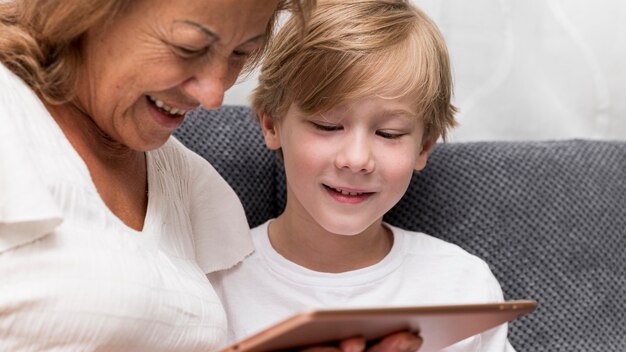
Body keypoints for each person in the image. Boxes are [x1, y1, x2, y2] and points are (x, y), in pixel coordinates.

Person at [208, 0, 515, 351]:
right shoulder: (215, 284)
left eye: (389, 134)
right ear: (271, 123)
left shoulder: (461, 286)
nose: (356, 159)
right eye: (327, 125)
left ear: (424, 147)